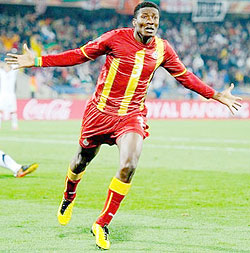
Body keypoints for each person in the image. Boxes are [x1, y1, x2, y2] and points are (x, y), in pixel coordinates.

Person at [5, 1, 242, 250]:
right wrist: (38, 60)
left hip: (131, 115)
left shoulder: (163, 49)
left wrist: (215, 94)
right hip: (99, 113)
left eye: (155, 18)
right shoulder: (115, 38)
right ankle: (68, 196)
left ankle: (102, 223)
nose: (150, 22)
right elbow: (78, 54)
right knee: (81, 160)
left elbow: (185, 77)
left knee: (129, 165)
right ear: (134, 21)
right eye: (145, 18)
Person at [0, 62, 19, 130]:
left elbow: (17, 65)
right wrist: (3, 64)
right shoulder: (1, 72)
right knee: (0, 110)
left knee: (13, 111)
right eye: (5, 66)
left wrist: (9, 64)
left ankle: (15, 126)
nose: (6, 68)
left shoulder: (13, 72)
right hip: (2, 94)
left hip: (11, 95)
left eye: (8, 66)